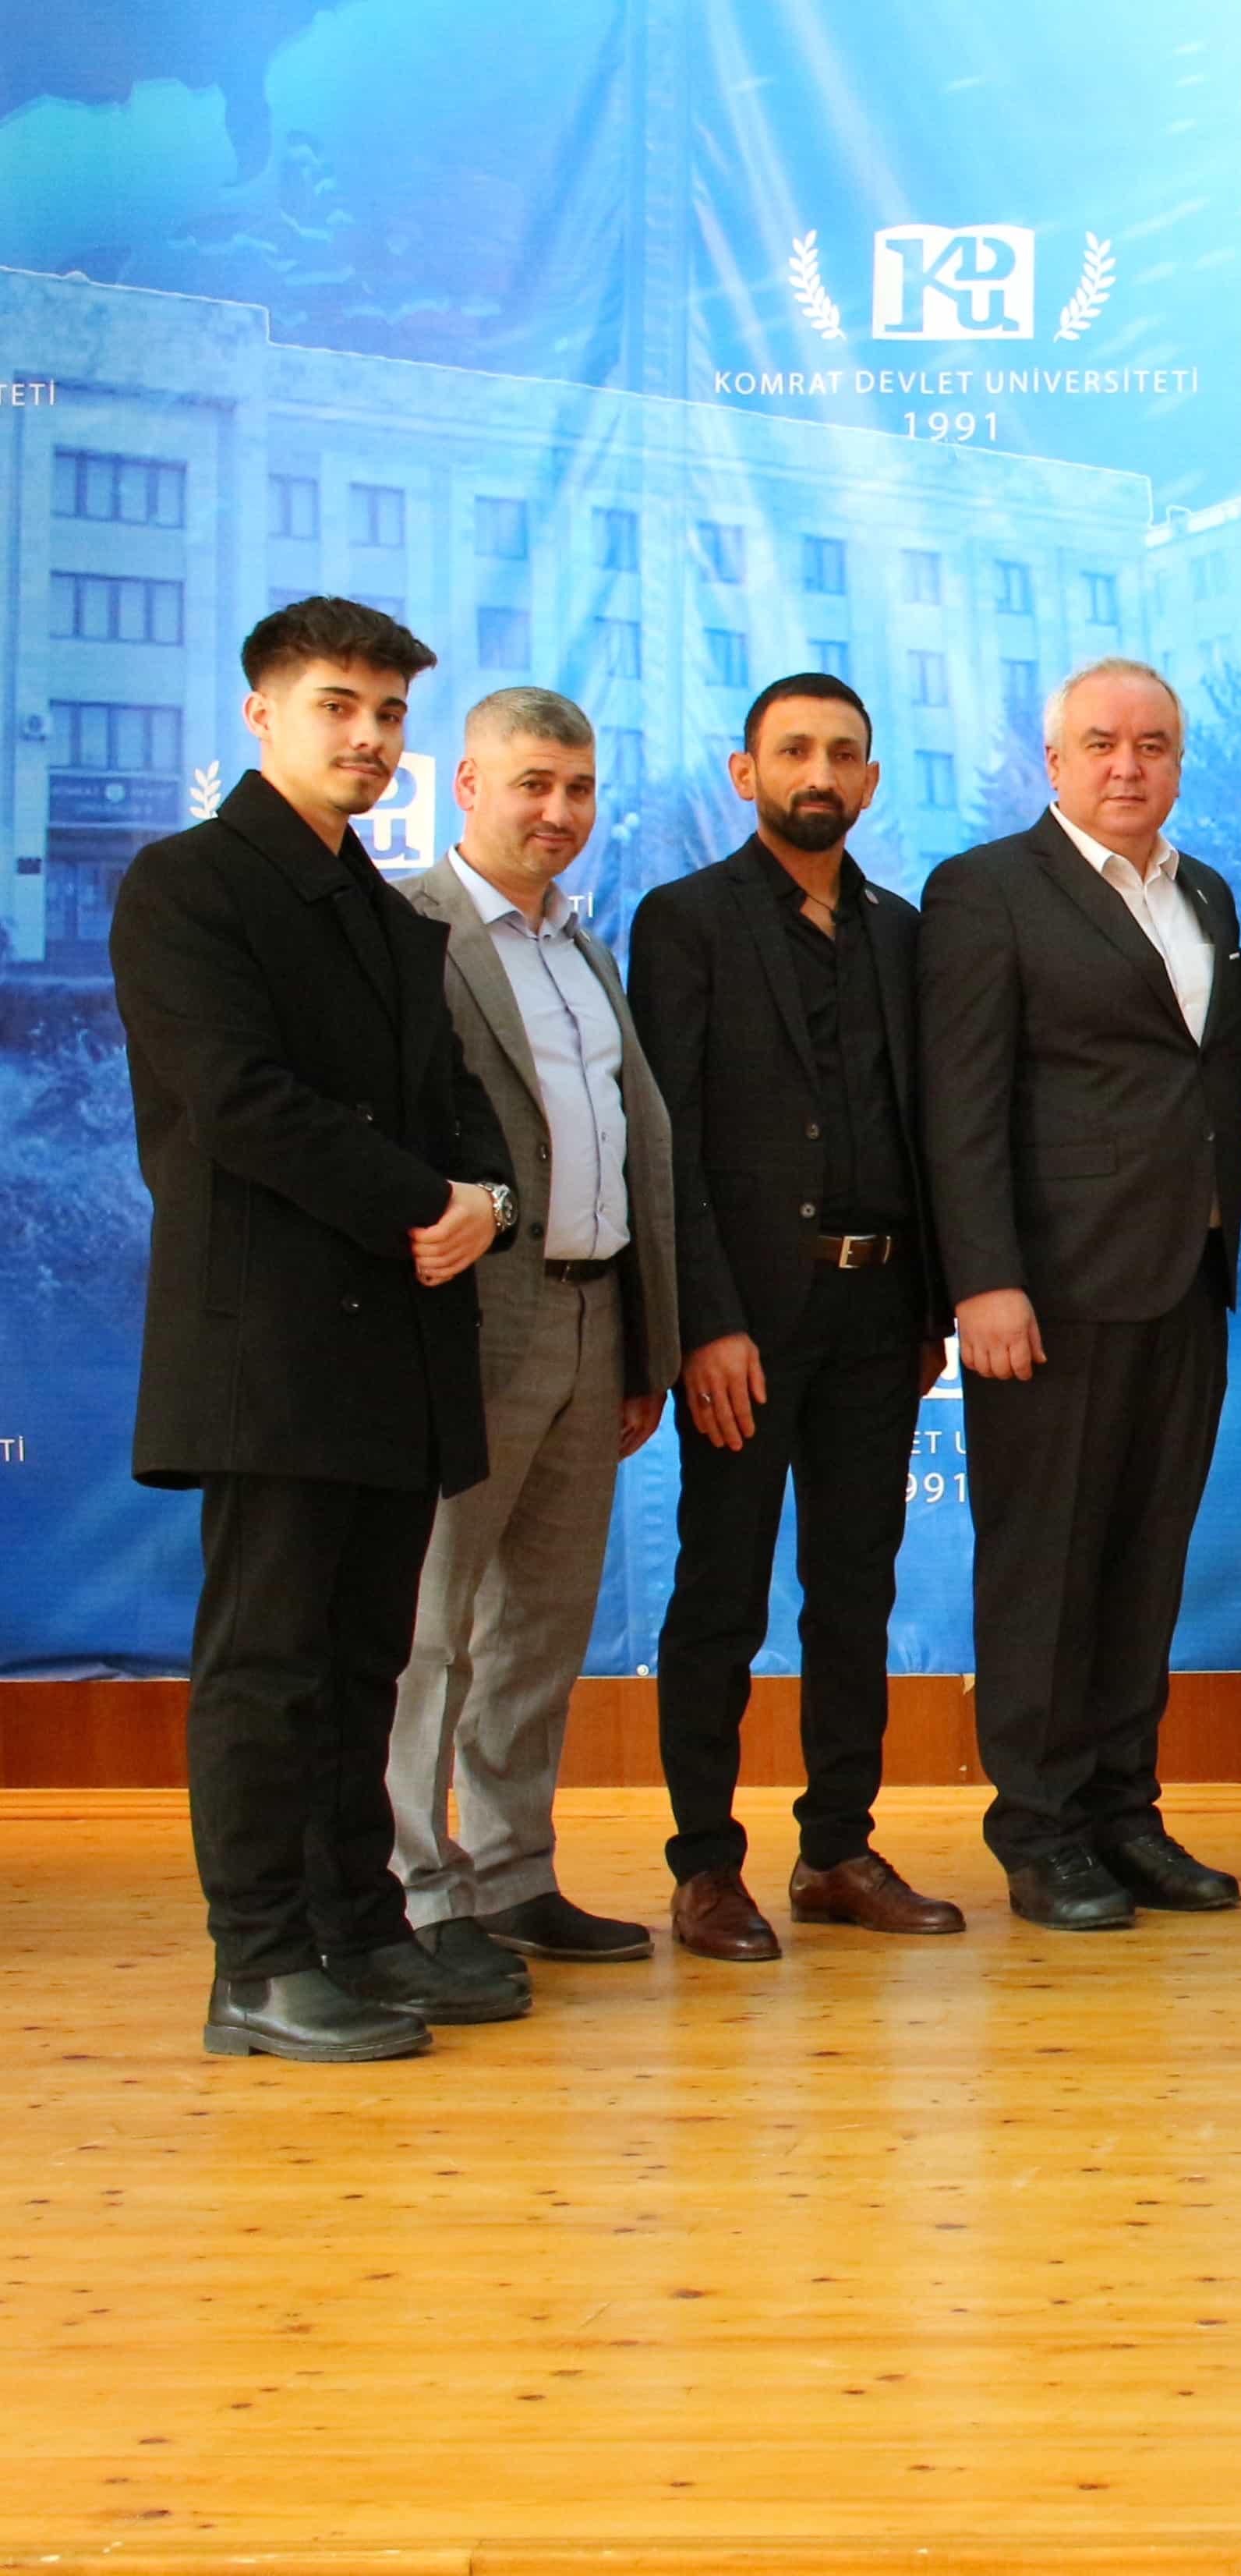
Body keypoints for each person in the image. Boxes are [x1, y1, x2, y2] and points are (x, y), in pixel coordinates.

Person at [111, 596, 517, 2059]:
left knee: (364, 1663)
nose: (370, 735)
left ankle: (361, 1925)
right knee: (268, 1665)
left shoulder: (393, 915)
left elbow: (456, 1102)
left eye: (390, 712)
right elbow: (239, 1103)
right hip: (269, 1342)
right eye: (338, 705)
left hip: (396, 1339)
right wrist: (429, 1200)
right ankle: (259, 1962)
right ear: (260, 713)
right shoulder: (186, 884)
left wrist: (490, 1200)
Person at [627, 672, 962, 1963]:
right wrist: (703, 1322)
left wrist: (929, 1306)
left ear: (869, 779)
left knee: (855, 1588)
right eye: (793, 751)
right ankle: (706, 1866)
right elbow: (667, 1138)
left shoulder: (903, 929)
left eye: (841, 753)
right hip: (747, 1325)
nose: (818, 773)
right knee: (720, 1591)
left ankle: (836, 1850)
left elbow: (927, 1128)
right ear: (746, 771)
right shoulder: (686, 921)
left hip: (882, 1313)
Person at [919, 659, 1241, 1930]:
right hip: (1050, 1292)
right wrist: (984, 1281)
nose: (1129, 764)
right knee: (1045, 1567)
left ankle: (1124, 1811)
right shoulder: (987, 889)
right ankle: (1040, 1827)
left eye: (1153, 744)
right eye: (1102, 742)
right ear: (1053, 761)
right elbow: (961, 1103)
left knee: (1143, 1563)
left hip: (1184, 1281)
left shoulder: (1203, 891)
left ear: (1177, 763)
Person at [384, 690, 681, 1990]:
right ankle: (414, 1889)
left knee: (542, 1626)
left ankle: (511, 1873)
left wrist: (644, 1342)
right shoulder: (406, 929)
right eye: (532, 784)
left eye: (578, 786)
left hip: (594, 1314)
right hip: (467, 1323)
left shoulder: (582, 943)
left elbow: (630, 1145)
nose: (559, 811)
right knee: (429, 1625)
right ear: (466, 786)